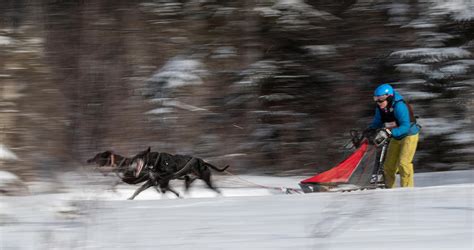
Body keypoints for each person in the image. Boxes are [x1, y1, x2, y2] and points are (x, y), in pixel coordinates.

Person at [368, 83, 420, 188]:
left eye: (381, 98)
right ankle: (389, 190)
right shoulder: (380, 108)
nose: (378, 102)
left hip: (409, 135)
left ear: (389, 97)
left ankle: (407, 190)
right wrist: (370, 130)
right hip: (395, 136)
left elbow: (405, 126)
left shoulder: (399, 106)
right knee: (388, 166)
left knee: (403, 163)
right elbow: (377, 122)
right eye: (376, 98)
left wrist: (390, 132)